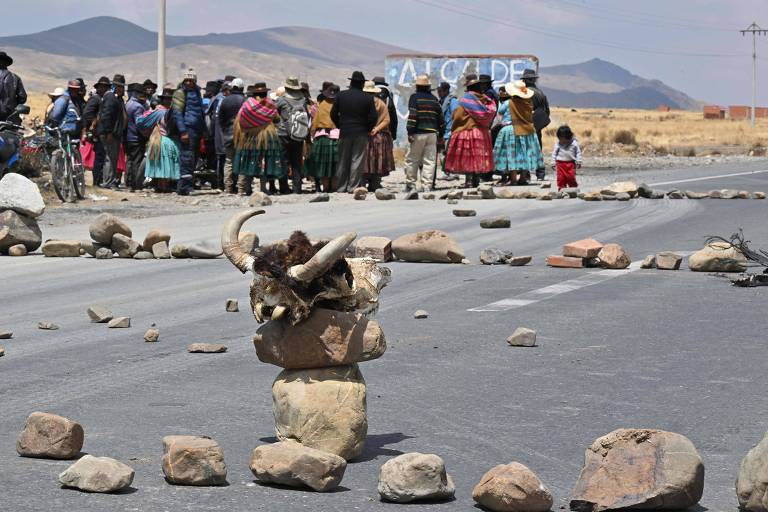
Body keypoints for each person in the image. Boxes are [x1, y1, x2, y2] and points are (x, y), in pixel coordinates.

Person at [232, 82, 286, 195]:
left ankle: (246, 188)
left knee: (249, 161)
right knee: (264, 162)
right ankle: (263, 188)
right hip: (267, 137)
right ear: (265, 93)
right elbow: (276, 120)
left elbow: (241, 120)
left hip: (250, 138)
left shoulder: (247, 104)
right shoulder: (270, 104)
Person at [444, 74, 497, 188]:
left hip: (468, 131)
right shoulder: (485, 100)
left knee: (468, 157)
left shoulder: (466, 99)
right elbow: (490, 114)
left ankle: (468, 181)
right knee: (478, 157)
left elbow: (457, 116)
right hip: (482, 133)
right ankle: (476, 180)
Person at [330, 71, 377, 193]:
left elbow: (333, 113)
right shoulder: (368, 97)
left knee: (342, 160)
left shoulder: (341, 95)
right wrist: (368, 128)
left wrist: (340, 125)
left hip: (345, 131)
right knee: (357, 159)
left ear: (351, 82)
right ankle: (352, 187)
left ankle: (341, 187)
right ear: (362, 84)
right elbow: (373, 117)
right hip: (361, 132)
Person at [498, 80, 543, 185]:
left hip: (512, 130)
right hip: (527, 130)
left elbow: (500, 113)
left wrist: (503, 123)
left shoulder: (508, 103)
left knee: (512, 153)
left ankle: (513, 179)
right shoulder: (529, 103)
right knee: (525, 153)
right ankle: (523, 178)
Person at [404, 75, 443, 192]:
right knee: (429, 161)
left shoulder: (414, 98)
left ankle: (411, 185)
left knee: (412, 159)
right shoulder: (434, 99)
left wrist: (410, 131)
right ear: (428, 87)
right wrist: (440, 134)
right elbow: (440, 119)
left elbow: (413, 115)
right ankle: (427, 186)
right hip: (432, 134)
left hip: (418, 133)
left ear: (417, 86)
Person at [172, 68, 206, 195]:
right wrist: (183, 131)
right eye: (186, 80)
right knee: (186, 157)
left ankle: (188, 185)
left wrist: (204, 129)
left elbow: (200, 113)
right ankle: (183, 187)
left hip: (197, 130)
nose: (188, 82)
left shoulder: (197, 93)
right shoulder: (180, 93)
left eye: (191, 80)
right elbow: (177, 114)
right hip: (187, 129)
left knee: (194, 159)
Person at [142, 85, 180, 192]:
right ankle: (163, 186)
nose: (168, 101)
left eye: (169, 99)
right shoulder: (163, 112)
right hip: (165, 140)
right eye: (166, 99)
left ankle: (160, 185)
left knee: (159, 163)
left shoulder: (157, 111)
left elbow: (141, 122)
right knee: (164, 163)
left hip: (158, 139)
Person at [276, 76, 310, 194]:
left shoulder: (281, 100)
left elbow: (274, 115)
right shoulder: (303, 100)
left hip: (283, 134)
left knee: (284, 161)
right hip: (298, 134)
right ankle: (297, 188)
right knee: (296, 162)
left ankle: (284, 188)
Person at [304, 83, 339, 193]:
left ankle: (325, 188)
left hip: (322, 137)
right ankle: (333, 188)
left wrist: (312, 136)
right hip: (336, 137)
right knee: (334, 164)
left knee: (322, 165)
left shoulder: (322, 105)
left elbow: (314, 123)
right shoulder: (339, 105)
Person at [362, 81, 394, 191]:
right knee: (378, 161)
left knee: (365, 160)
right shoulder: (381, 103)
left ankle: (362, 184)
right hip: (379, 136)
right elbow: (387, 120)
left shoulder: (361, 103)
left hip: (365, 136)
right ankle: (375, 184)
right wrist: (377, 129)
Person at [98, 74, 127, 189]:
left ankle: (109, 180)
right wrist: (109, 132)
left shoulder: (116, 98)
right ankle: (107, 182)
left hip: (114, 133)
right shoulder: (110, 97)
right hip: (110, 134)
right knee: (110, 157)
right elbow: (106, 116)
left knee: (112, 157)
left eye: (122, 87)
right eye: (119, 86)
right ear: (114, 86)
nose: (121, 89)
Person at [217, 77, 246, 194]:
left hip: (228, 135)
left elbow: (220, 119)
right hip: (242, 136)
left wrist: (225, 131)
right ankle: (241, 188)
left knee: (229, 161)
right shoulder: (244, 100)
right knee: (242, 161)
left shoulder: (225, 100)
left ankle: (228, 188)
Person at [82, 76, 111, 186]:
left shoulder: (101, 99)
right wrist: (95, 123)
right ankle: (97, 182)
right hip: (97, 133)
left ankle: (99, 181)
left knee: (101, 157)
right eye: (102, 86)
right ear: (98, 87)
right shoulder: (96, 99)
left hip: (99, 132)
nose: (104, 89)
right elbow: (87, 113)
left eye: (106, 87)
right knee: (99, 157)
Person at [521, 69, 550, 180]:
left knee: (524, 149)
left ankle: (526, 174)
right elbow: (546, 112)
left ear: (524, 80)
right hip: (537, 126)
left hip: (524, 125)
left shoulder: (523, 93)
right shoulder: (541, 93)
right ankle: (540, 174)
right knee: (538, 149)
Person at [125, 83, 149, 191]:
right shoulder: (138, 107)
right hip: (136, 138)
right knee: (136, 162)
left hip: (128, 137)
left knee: (129, 160)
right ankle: (136, 184)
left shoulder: (128, 104)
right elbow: (140, 123)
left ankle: (129, 183)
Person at [437, 81, 459, 182]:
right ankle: (447, 172)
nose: (439, 93)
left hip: (450, 131)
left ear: (446, 90)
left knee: (448, 153)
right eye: (438, 91)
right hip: (442, 132)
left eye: (440, 91)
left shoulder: (452, 100)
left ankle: (451, 173)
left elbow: (455, 114)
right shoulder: (441, 101)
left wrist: (453, 129)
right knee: (443, 153)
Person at [552, 125, 581, 191]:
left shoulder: (574, 143)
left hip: (570, 164)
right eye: (560, 139)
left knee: (571, 177)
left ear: (568, 137)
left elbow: (578, 152)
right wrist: (553, 163)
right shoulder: (558, 144)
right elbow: (554, 154)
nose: (562, 141)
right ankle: (561, 189)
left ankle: (573, 188)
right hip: (560, 164)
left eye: (563, 139)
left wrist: (579, 161)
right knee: (561, 178)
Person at [0, 51, 27, 123]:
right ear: (6, 64)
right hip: (10, 117)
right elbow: (22, 98)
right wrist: (12, 103)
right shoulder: (15, 78)